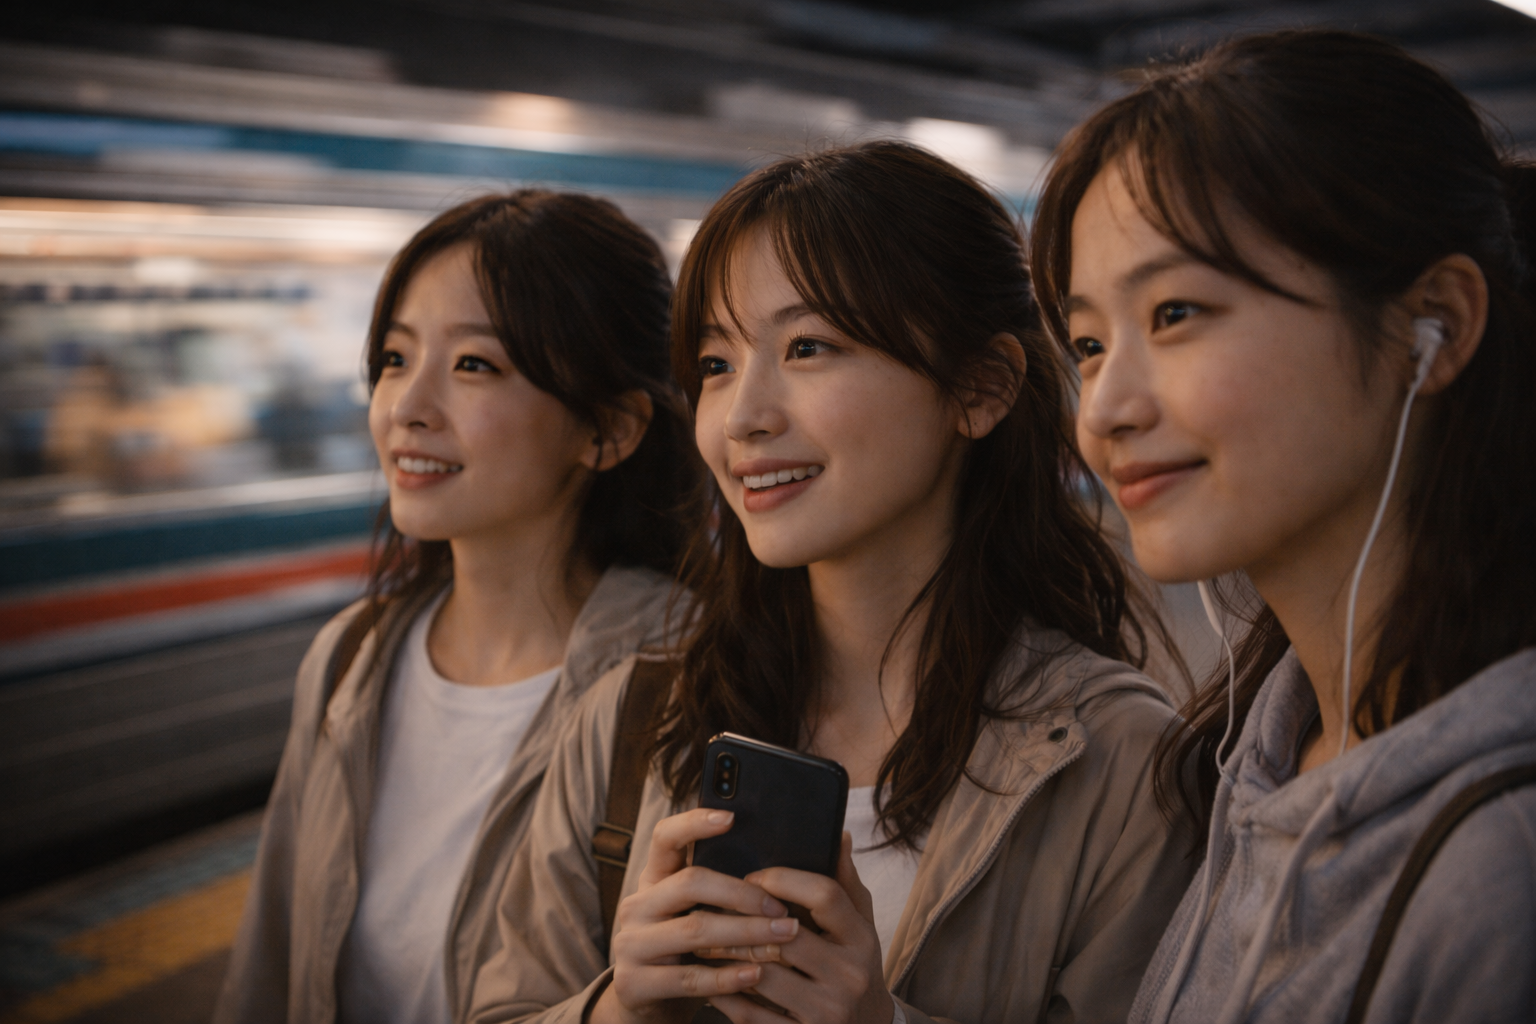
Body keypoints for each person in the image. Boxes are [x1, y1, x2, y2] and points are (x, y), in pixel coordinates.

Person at [469, 141, 1197, 1024]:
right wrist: (612, 1013)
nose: (743, 416)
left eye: (809, 346)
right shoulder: (630, 722)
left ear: (982, 386)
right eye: (715, 363)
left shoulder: (1119, 766)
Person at [1030, 29, 1536, 1024]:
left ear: (1430, 324)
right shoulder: (1263, 744)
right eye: (1089, 343)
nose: (1104, 410)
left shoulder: (1500, 865)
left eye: (1175, 313)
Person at [215, 191, 696, 1024]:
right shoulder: (351, 659)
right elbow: (267, 970)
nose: (407, 407)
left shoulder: (691, 684)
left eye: (475, 365)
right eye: (396, 359)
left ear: (609, 430)